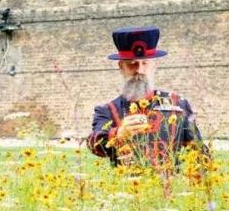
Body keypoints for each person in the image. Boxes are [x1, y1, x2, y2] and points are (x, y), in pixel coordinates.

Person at [87, 25, 206, 168]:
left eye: (145, 63)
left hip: (172, 187)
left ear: (154, 65)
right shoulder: (107, 110)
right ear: (121, 66)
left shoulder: (178, 104)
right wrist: (118, 134)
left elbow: (199, 154)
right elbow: (93, 144)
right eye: (132, 64)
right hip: (127, 187)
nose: (140, 70)